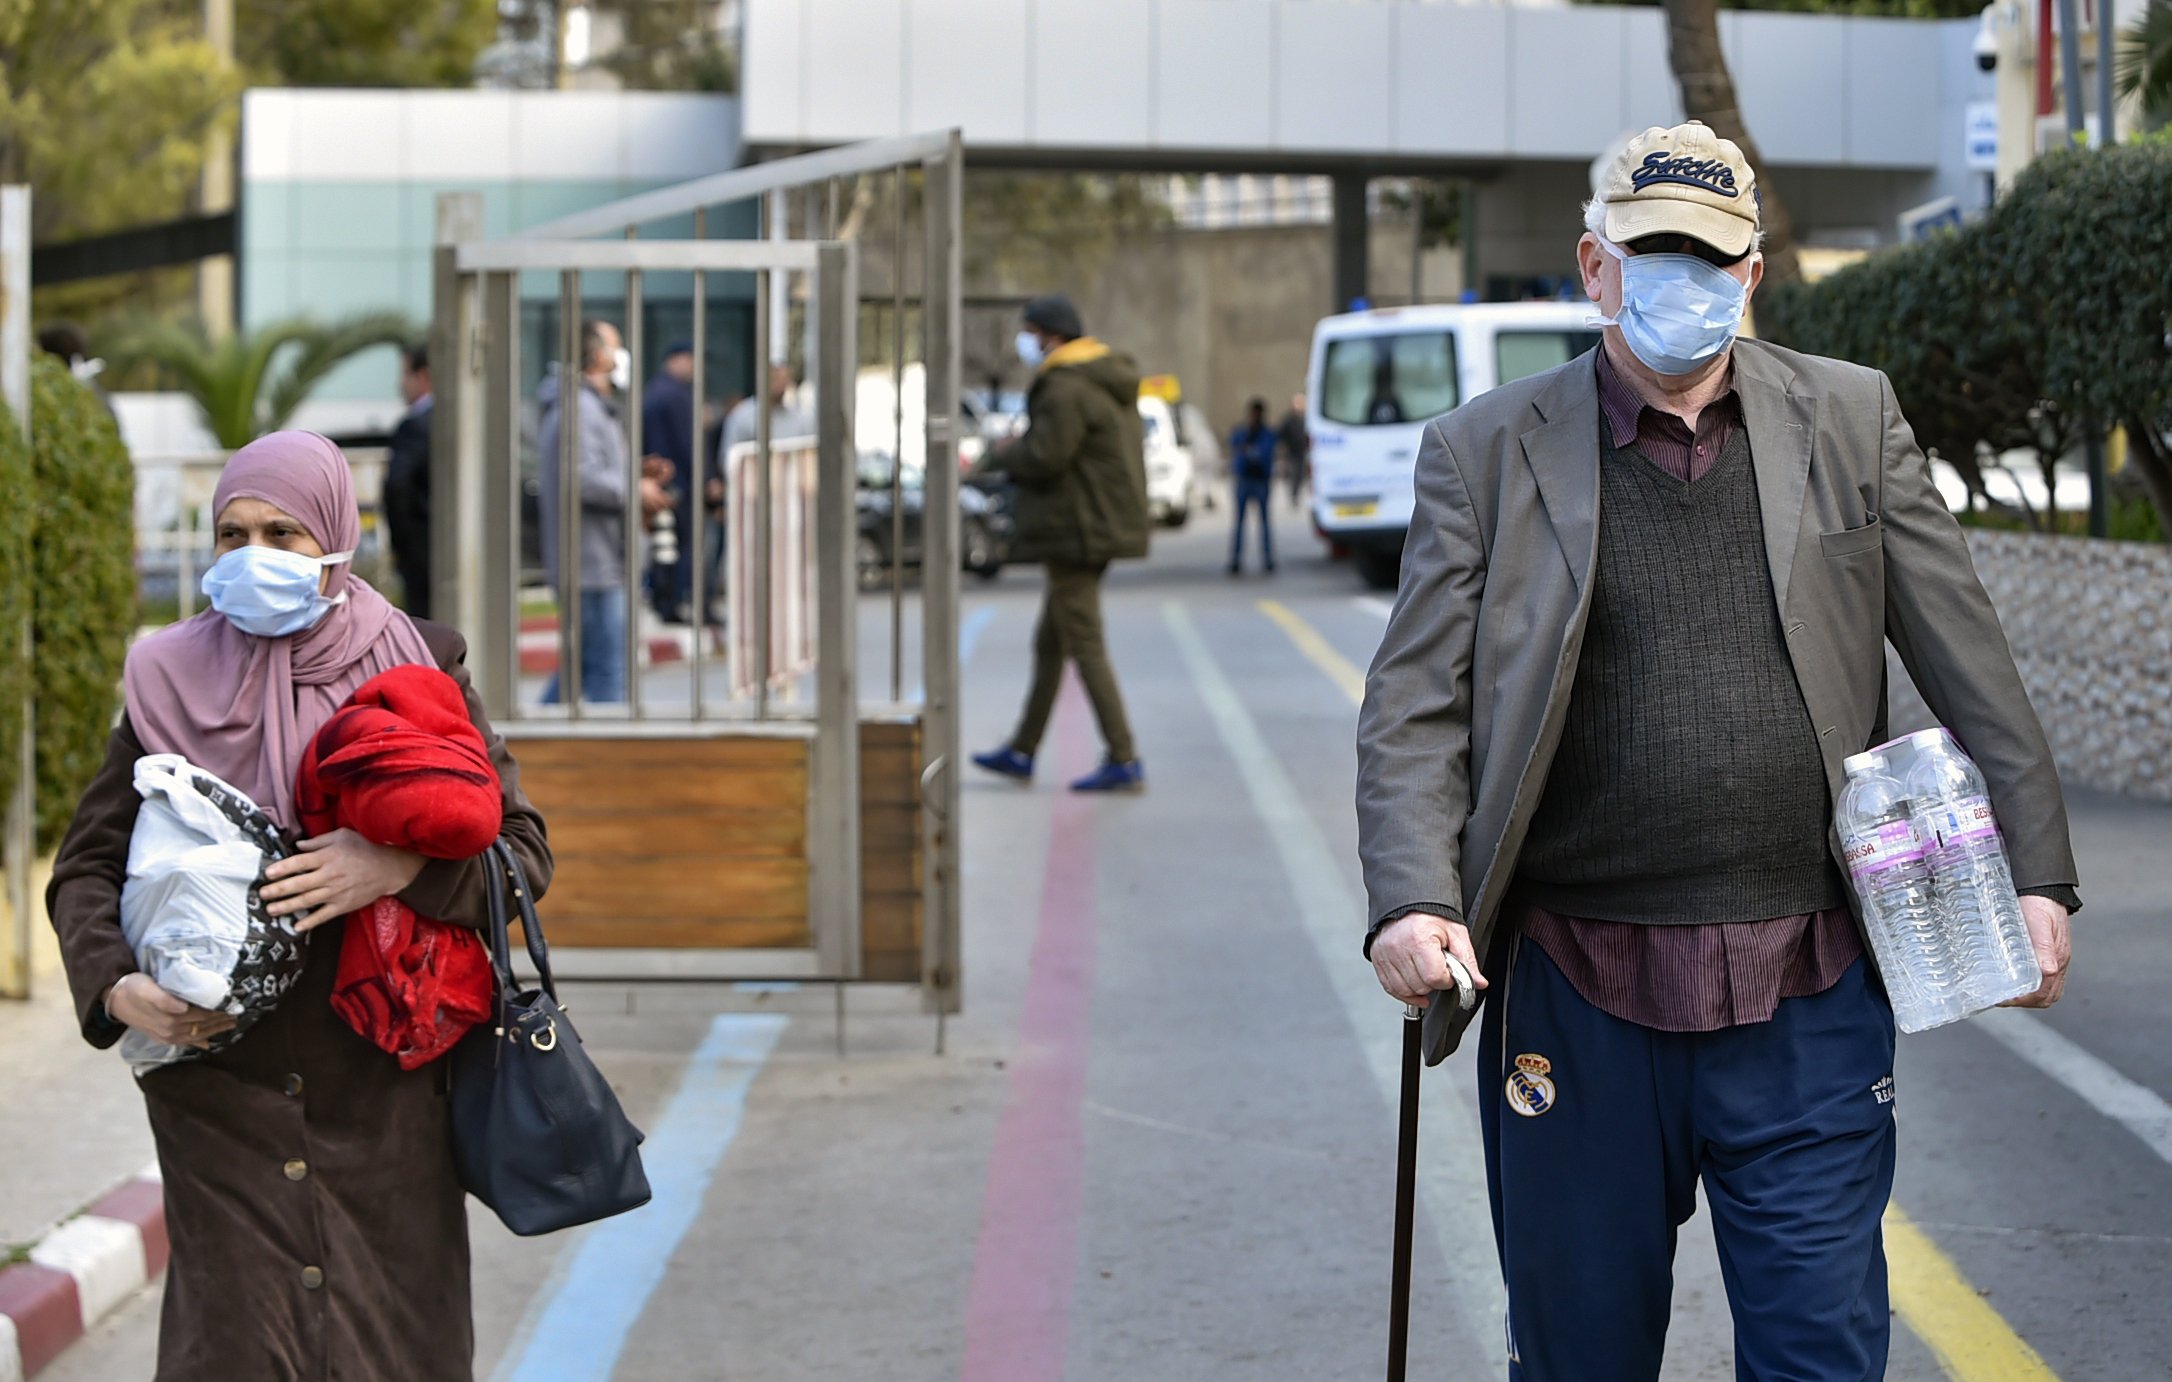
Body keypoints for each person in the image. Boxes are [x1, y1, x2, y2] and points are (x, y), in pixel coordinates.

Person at [1356, 121, 2078, 1381]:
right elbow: (1416, 701)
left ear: (1750, 274)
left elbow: (1971, 660)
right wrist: (1413, 898)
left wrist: (2040, 873)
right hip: (1572, 986)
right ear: (1596, 266)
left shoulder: (1851, 418)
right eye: (1655, 254)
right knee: (1579, 1358)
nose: (1685, 280)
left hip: (1810, 984)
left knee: (1821, 1355)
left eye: (1711, 257)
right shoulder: (1485, 450)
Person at [46, 431, 552, 1381]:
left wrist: (394, 867)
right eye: (231, 535)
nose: (254, 557)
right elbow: (85, 870)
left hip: (387, 1092)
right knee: (236, 1351)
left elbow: (521, 853)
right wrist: (116, 990)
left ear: (336, 537)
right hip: (219, 1090)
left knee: (394, 1353)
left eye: (282, 534)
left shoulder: (423, 668)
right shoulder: (167, 683)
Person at [969, 294, 1150, 793]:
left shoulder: (1066, 386)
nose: (1024, 342)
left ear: (1050, 335)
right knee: (1051, 643)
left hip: (1077, 528)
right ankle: (1022, 750)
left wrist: (1007, 452)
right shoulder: (1098, 375)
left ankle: (1124, 756)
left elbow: (1048, 455)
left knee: (1084, 642)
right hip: (1093, 524)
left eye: (1029, 332)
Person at [536, 319, 668, 704]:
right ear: (597, 355)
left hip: (598, 561)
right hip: (593, 566)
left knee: (579, 670)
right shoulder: (580, 410)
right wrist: (634, 487)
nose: (620, 356)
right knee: (609, 672)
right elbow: (582, 478)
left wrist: (635, 473)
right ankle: (612, 741)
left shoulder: (587, 407)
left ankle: (530, 737)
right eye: (615, 346)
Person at [641, 340, 699, 621]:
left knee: (664, 545)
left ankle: (662, 601)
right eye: (691, 360)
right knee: (674, 546)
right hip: (674, 482)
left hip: (658, 481)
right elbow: (686, 443)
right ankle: (669, 603)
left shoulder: (655, 390)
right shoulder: (674, 395)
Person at [382, 343, 433, 619]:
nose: (400, 384)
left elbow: (396, 487)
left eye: (404, 374)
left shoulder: (415, 426)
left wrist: (402, 545)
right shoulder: (459, 421)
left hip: (421, 553)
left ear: (422, 376)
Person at [1227, 398, 1278, 575]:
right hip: (1244, 480)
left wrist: (1249, 450)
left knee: (1264, 523)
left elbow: (1263, 454)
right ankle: (1236, 559)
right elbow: (1234, 444)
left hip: (1260, 481)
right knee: (1239, 523)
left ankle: (1268, 558)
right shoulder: (1242, 432)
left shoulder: (1267, 434)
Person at [1277, 392, 1310, 505]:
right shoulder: (1288, 420)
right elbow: (1281, 435)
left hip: (1303, 451)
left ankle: (1298, 494)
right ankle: (1294, 495)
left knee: (1302, 475)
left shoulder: (1307, 419)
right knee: (1294, 474)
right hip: (1292, 452)